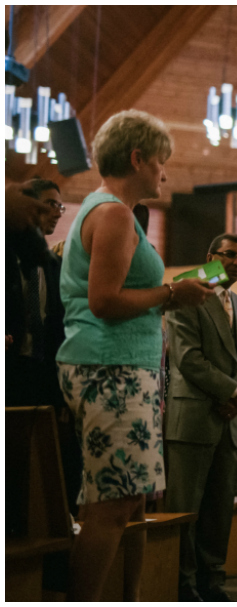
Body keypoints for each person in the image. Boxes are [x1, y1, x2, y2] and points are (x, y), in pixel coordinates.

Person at [56, 110, 213, 601]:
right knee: (112, 506)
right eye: (161, 161)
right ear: (137, 157)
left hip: (124, 368)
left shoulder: (108, 210)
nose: (164, 173)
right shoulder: (114, 214)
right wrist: (172, 294)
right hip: (109, 367)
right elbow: (104, 300)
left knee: (133, 505)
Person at [165, 233, 237, 601]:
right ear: (210, 257)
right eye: (230, 256)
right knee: (185, 507)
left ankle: (212, 578)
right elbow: (187, 358)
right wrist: (233, 393)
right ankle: (183, 583)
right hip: (193, 416)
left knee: (219, 507)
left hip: (228, 419)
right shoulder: (188, 293)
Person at [6, 179, 82, 516]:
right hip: (9, 372)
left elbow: (58, 329)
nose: (56, 212)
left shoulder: (54, 265)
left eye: (60, 206)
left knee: (49, 470)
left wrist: (61, 392)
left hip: (42, 375)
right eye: (49, 204)